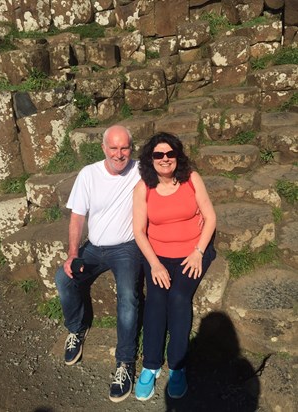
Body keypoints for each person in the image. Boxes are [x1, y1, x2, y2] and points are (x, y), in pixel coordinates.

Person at [55, 124, 142, 403]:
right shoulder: (88, 175)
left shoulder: (140, 170)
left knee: (128, 296)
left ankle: (125, 362)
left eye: (124, 147)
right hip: (93, 248)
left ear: (131, 148)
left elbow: (172, 171)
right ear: (103, 148)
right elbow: (77, 218)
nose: (119, 154)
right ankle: (76, 328)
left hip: (126, 248)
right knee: (64, 278)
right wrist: (73, 253)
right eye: (113, 148)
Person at [133, 132, 216, 401]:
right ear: (150, 159)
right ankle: (151, 365)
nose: (165, 159)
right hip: (158, 255)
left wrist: (198, 252)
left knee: (179, 297)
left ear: (177, 155)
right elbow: (138, 231)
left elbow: (210, 216)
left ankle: (177, 367)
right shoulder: (143, 187)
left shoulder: (191, 179)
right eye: (159, 155)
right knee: (156, 299)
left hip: (192, 251)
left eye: (170, 153)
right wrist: (154, 265)